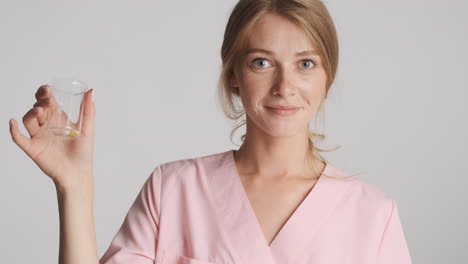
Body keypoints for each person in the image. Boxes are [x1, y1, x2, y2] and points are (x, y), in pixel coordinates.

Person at [9, 0, 413, 263]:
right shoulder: (173, 190)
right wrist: (74, 186)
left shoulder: (373, 215)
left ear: (328, 74)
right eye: (261, 62)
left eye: (306, 63)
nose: (285, 86)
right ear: (234, 72)